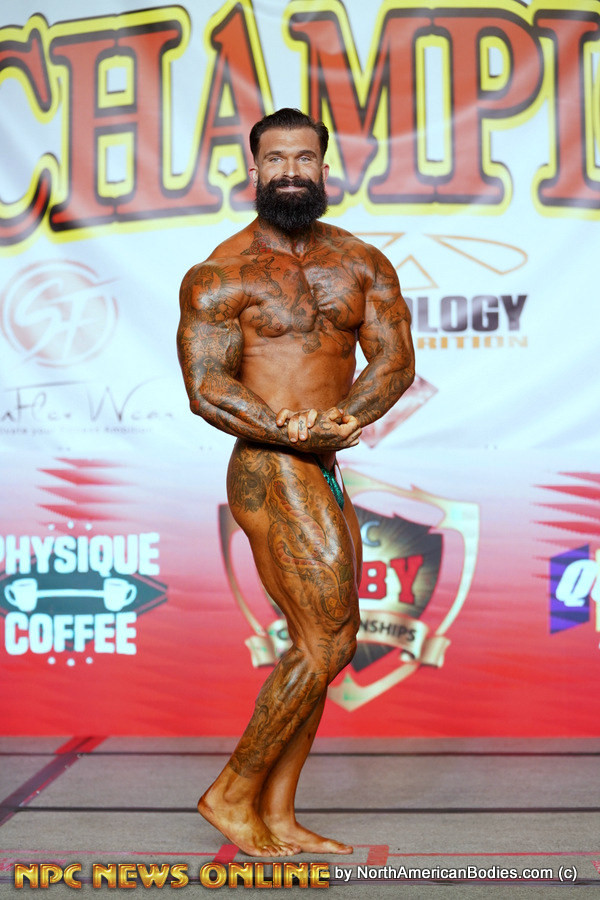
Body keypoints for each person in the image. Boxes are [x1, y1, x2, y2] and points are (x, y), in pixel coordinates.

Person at [177, 108, 415, 857]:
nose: (289, 170)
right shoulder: (220, 274)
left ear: (323, 168)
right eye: (274, 158)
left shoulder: (361, 263)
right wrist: (289, 431)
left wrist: (348, 417)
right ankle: (231, 793)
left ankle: (277, 813)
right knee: (329, 638)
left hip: (326, 462)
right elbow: (207, 387)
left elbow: (394, 359)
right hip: (268, 461)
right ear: (254, 170)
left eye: (303, 158)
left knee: (325, 641)